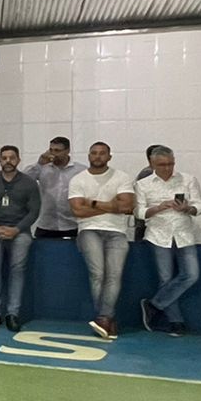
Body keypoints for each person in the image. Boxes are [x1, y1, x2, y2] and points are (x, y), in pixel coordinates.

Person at [68, 142, 135, 340]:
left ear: (109, 156)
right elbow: (77, 210)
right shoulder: (78, 179)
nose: (97, 156)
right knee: (98, 273)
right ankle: (106, 318)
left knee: (114, 275)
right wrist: (111, 206)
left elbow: (127, 206)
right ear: (89, 155)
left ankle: (104, 318)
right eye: (94, 153)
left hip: (117, 231)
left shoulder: (121, 177)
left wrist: (93, 203)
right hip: (89, 230)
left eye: (102, 153)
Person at [135, 146, 201, 337]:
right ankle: (176, 321)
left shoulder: (188, 179)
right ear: (152, 164)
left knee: (191, 275)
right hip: (158, 234)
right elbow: (139, 212)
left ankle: (153, 305)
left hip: (184, 233)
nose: (167, 168)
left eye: (170, 164)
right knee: (165, 279)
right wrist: (158, 208)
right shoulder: (143, 184)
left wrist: (187, 208)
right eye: (162, 164)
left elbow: (199, 206)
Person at [0, 145, 41, 331]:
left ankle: (13, 313)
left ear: (18, 160)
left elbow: (34, 211)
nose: (8, 161)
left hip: (20, 231)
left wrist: (17, 229)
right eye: (4, 158)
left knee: (17, 269)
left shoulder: (29, 183)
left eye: (12, 158)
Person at [24, 137, 83, 238]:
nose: (53, 154)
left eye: (57, 150)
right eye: (51, 150)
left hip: (71, 225)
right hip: (46, 224)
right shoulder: (43, 168)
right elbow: (23, 180)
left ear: (67, 151)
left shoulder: (80, 170)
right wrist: (39, 164)